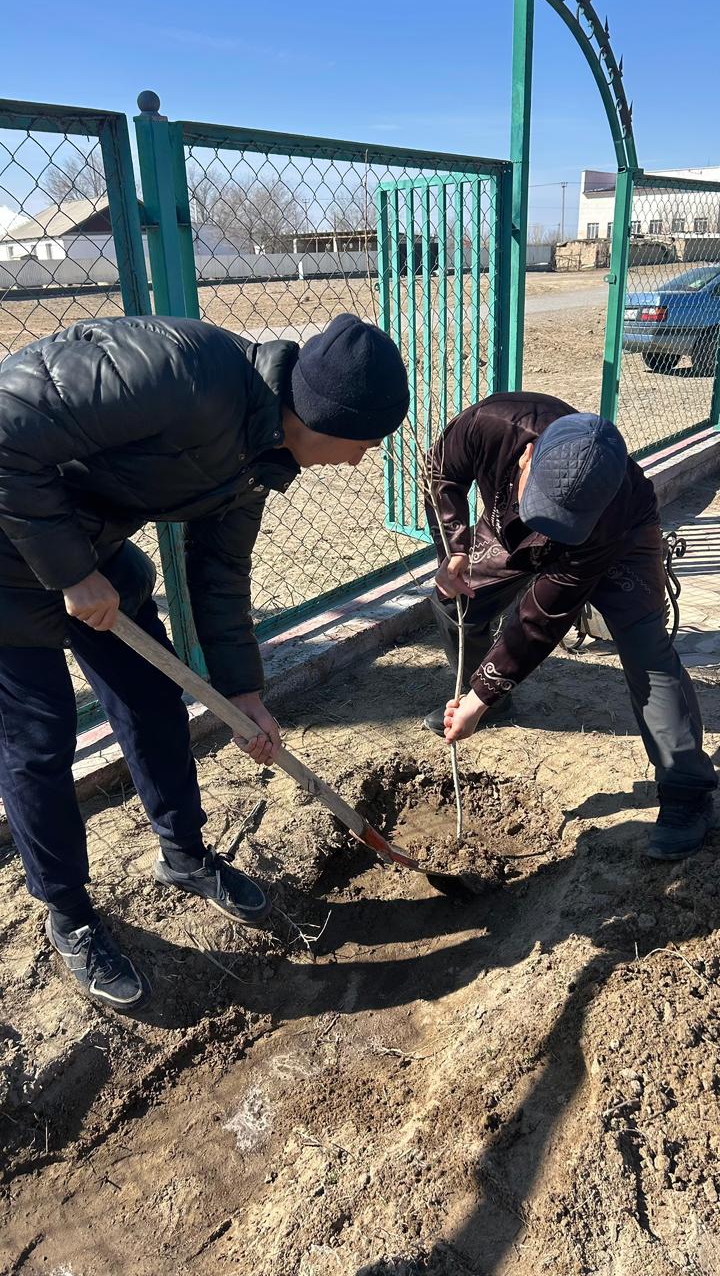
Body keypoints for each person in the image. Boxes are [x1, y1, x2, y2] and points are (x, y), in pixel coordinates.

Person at [0, 312, 408, 1009]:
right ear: (323, 416)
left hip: (90, 546)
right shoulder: (182, 373)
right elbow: (5, 425)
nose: (361, 460)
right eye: (364, 443)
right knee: (39, 745)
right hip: (11, 551)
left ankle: (183, 854)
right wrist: (68, 571)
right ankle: (69, 913)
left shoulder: (264, 458)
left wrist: (243, 693)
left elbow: (220, 570)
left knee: (154, 701)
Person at [424, 391, 717, 859]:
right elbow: (441, 471)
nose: (550, 534)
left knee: (647, 651)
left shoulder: (604, 517)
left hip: (617, 540)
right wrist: (455, 549)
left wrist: (475, 700)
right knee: (452, 601)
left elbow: (539, 620)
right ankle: (488, 698)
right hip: (508, 529)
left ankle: (687, 794)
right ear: (526, 457)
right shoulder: (489, 424)